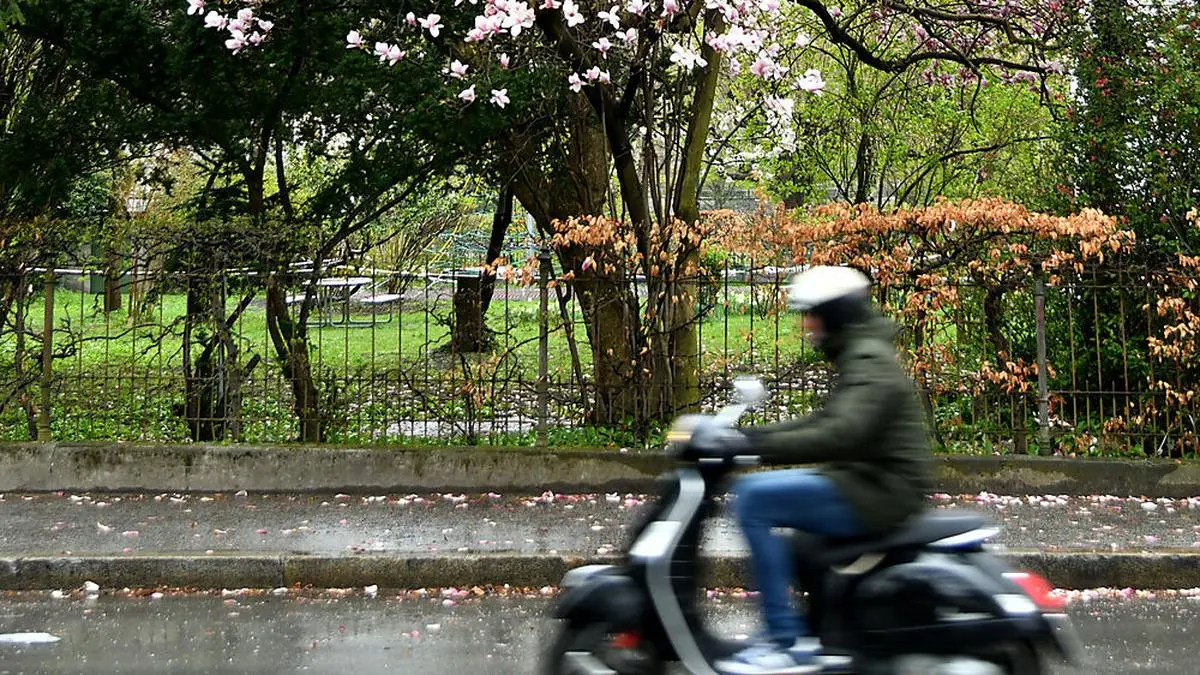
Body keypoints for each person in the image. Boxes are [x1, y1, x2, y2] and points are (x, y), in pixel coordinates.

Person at [697, 265, 934, 675]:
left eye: (813, 313)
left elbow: (842, 433)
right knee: (793, 534)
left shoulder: (868, 360)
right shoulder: (859, 353)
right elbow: (824, 423)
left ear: (837, 313)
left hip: (880, 490)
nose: (807, 324)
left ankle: (784, 641)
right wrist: (749, 439)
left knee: (753, 499)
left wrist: (751, 446)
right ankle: (813, 631)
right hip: (867, 480)